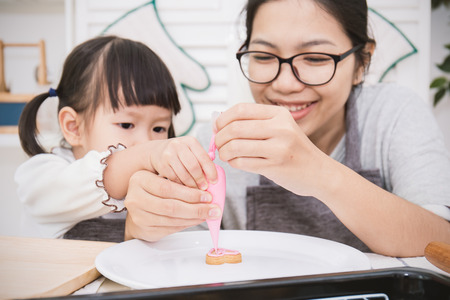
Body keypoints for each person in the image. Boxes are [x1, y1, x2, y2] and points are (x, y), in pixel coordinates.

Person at [125, 0, 450, 257]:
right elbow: (174, 263)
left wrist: (319, 173)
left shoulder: (393, 116)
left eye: (315, 58)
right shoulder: (216, 145)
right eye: (264, 56)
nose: (284, 84)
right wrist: (142, 227)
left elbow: (442, 240)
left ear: (361, 63)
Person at [15, 35, 220, 241]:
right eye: (126, 125)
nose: (146, 142)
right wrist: (145, 155)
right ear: (74, 127)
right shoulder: (41, 177)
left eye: (159, 128)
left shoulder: (159, 188)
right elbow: (80, 182)